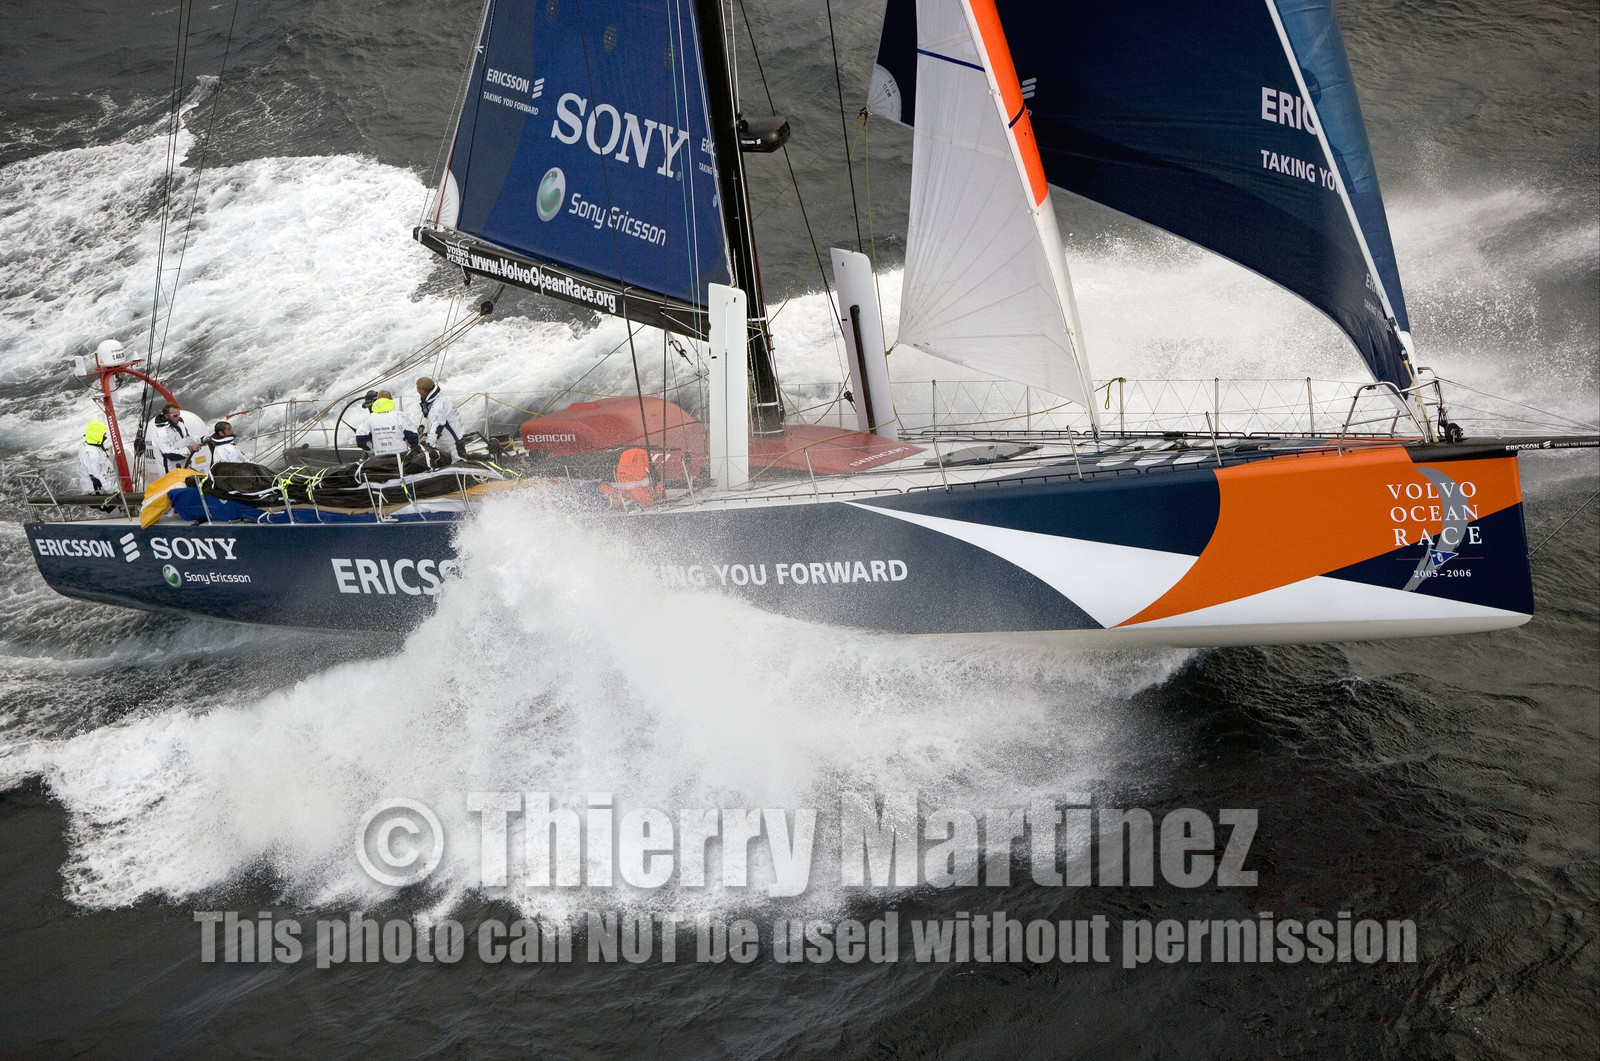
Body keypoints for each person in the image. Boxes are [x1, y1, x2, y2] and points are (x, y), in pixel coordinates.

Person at [416, 376, 466, 458]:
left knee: (459, 464)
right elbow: (430, 420)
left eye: (418, 389)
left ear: (423, 391)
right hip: (443, 444)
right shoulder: (435, 400)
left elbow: (436, 429)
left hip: (452, 445)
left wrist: (426, 446)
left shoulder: (437, 408)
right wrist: (425, 434)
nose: (417, 391)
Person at [357, 391, 417, 456]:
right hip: (401, 457)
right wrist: (411, 450)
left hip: (379, 458)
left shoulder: (370, 419)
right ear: (391, 400)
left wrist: (371, 451)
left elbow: (360, 439)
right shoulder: (400, 416)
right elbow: (413, 437)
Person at [149, 403, 200, 473]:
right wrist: (190, 449)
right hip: (171, 473)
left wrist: (202, 439)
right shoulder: (161, 433)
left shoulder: (180, 425)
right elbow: (170, 454)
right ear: (166, 416)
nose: (178, 418)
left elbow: (188, 438)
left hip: (185, 469)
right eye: (175, 416)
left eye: (179, 415)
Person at [77, 421, 115, 494]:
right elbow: (97, 477)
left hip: (103, 486)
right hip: (98, 492)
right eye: (103, 434)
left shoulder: (90, 446)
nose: (105, 436)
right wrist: (111, 491)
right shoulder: (91, 453)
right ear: (97, 435)